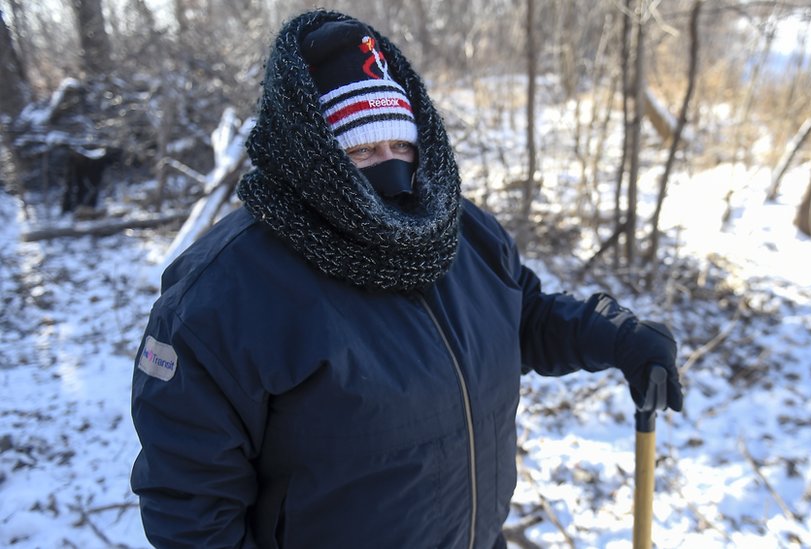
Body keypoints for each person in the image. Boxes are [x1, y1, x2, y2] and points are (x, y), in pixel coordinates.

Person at [130, 10, 682, 549]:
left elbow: (523, 317)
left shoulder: (458, 233)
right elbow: (189, 504)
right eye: (363, 150)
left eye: (401, 146)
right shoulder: (226, 291)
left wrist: (617, 334)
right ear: (311, 155)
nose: (390, 170)